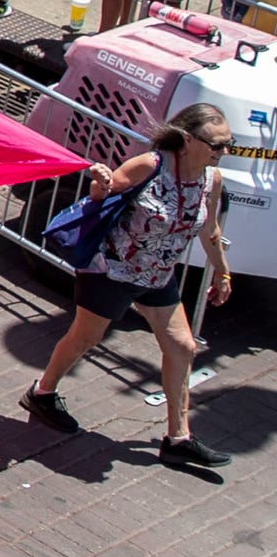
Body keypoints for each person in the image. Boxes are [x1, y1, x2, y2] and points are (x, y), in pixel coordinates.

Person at [20, 105, 238, 469]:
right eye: (216, 143)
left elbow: (209, 230)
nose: (222, 151)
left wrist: (223, 273)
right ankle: (42, 393)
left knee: (182, 346)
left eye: (228, 144)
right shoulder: (150, 165)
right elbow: (101, 196)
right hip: (112, 272)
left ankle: (177, 438)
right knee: (84, 339)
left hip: (157, 277)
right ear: (187, 139)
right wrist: (100, 181)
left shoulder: (211, 180)